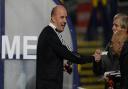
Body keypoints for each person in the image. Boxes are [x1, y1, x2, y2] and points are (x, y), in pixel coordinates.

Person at [36, 5, 100, 89]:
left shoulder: (49, 33)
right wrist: (92, 58)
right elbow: (69, 55)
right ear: (53, 18)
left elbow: (48, 62)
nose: (65, 21)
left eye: (65, 17)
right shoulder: (50, 34)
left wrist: (60, 67)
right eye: (62, 17)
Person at [93, 13, 128, 89]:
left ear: (124, 29)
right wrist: (97, 62)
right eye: (113, 25)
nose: (113, 28)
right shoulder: (109, 47)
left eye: (116, 25)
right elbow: (98, 74)